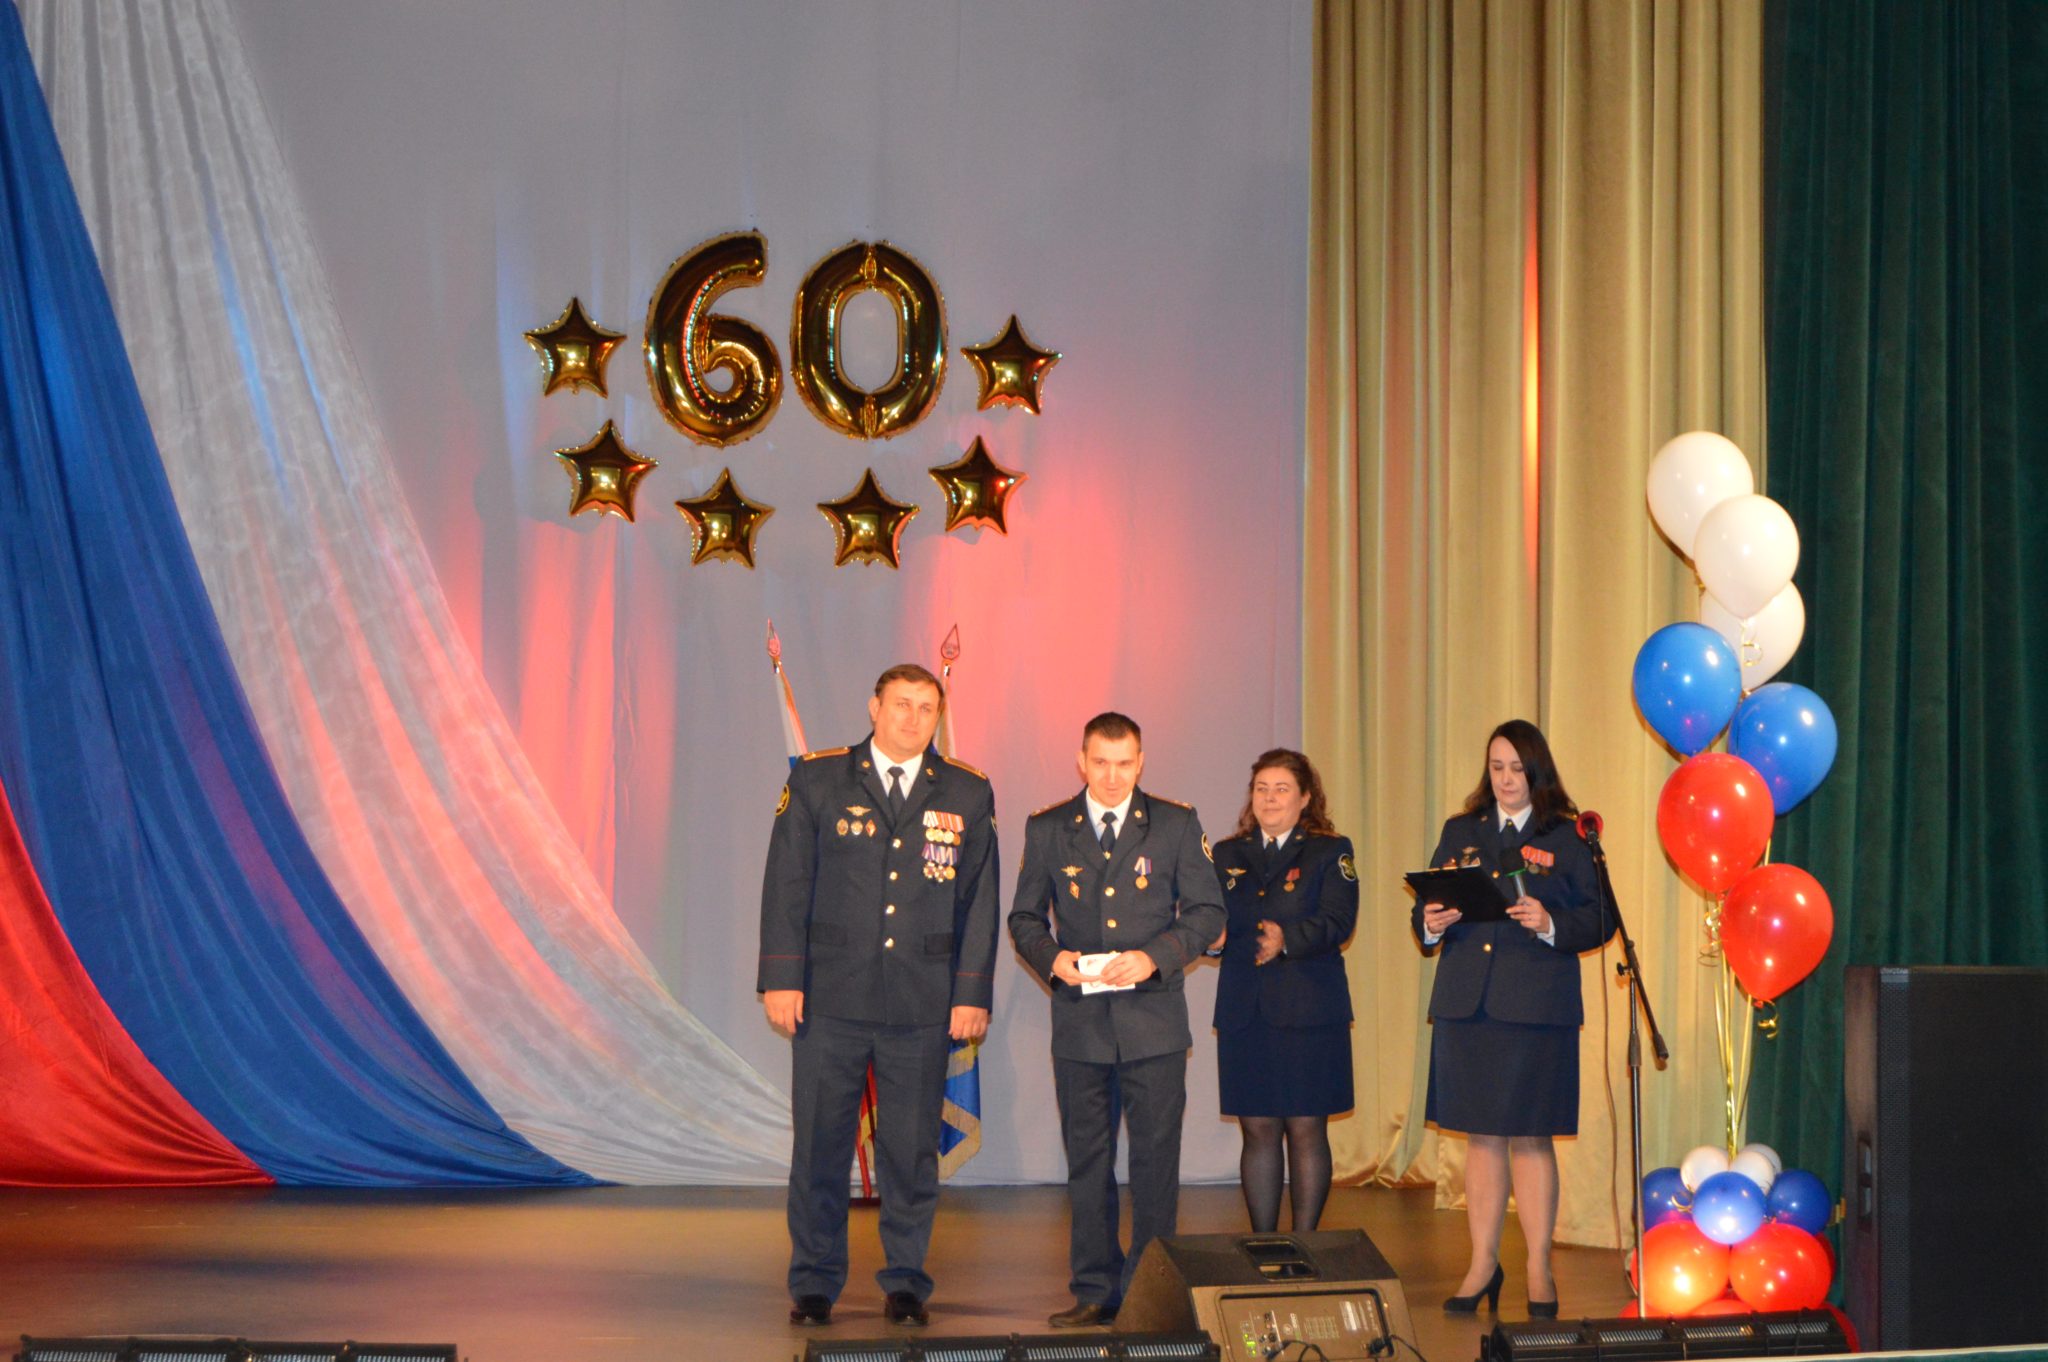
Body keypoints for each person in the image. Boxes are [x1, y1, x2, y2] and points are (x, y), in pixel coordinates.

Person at [758, 663, 999, 1329]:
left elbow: (980, 900)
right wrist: (782, 977)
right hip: (829, 998)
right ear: (874, 707)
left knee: (911, 1151)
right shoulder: (817, 778)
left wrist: (971, 991)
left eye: (927, 707)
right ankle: (812, 1284)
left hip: (922, 1003)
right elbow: (787, 883)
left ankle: (905, 1284)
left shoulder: (967, 790)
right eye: (901, 704)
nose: (913, 718)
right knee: (819, 1147)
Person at [1009, 712, 1225, 1328]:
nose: (1111, 776)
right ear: (1081, 760)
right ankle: (1094, 1288)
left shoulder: (1176, 824)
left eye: (1124, 763)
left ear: (1141, 762)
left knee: (1156, 1163)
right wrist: (1056, 959)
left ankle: (1150, 1289)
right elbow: (1024, 918)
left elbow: (1208, 911)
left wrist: (1152, 957)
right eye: (1100, 762)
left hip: (1153, 1022)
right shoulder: (1049, 827)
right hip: (1080, 1024)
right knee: (1088, 1161)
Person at [1411, 719, 1606, 1319]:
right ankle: (1481, 1264)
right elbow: (1428, 901)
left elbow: (1600, 919)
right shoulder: (1461, 829)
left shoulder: (1568, 835)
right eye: (1496, 767)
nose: (1505, 779)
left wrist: (1549, 923)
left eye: (1517, 768)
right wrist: (1429, 923)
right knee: (1481, 1137)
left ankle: (1538, 1266)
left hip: (1534, 1006)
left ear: (1537, 770)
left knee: (1530, 1135)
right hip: (1468, 1003)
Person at [1210, 749, 1359, 1233]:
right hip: (1244, 1012)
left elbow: (1340, 921)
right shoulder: (1228, 854)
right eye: (1261, 789)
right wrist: (1210, 941)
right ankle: (1265, 1246)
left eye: (1281, 789)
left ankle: (1304, 1244)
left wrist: (1288, 941)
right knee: (1257, 1129)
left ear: (1305, 798)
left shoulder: (1330, 849)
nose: (1269, 799)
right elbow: (1210, 920)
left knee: (1304, 1128)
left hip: (1309, 1011)